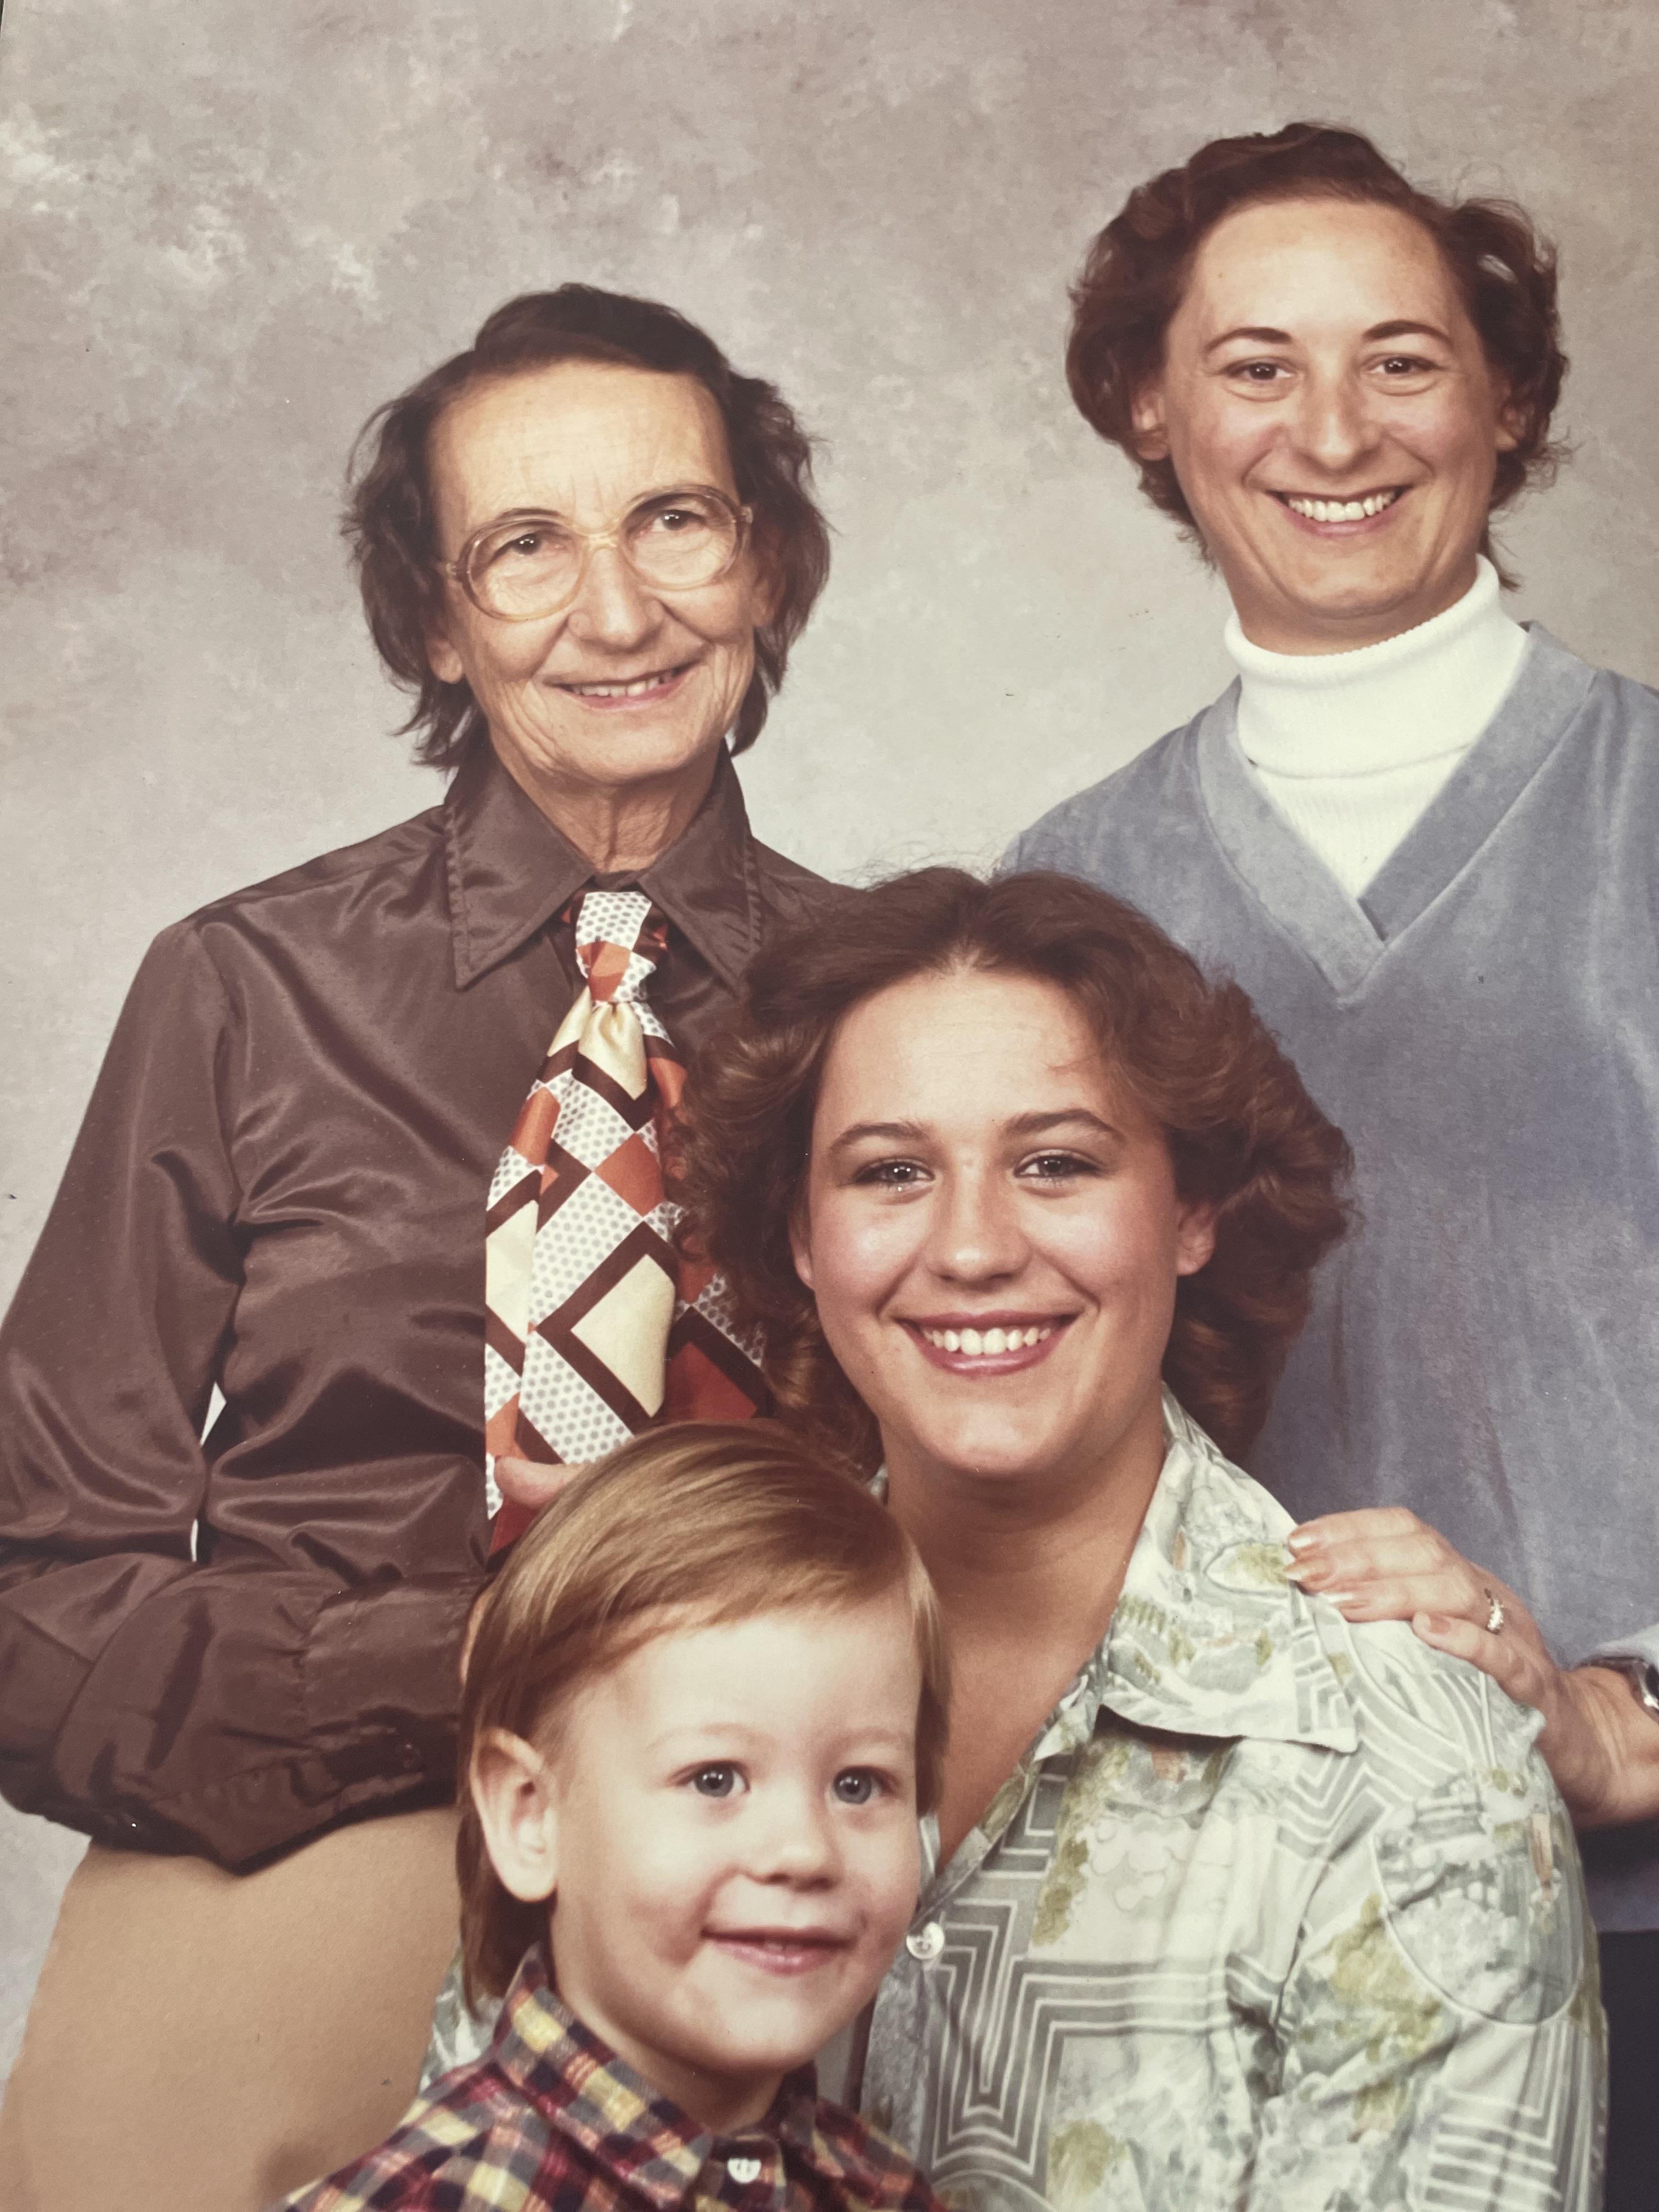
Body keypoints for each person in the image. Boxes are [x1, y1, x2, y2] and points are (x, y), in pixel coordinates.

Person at [0, 284, 834, 2212]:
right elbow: (35, 1582)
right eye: (525, 548)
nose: (616, 612)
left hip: (772, 1856)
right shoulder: (243, 990)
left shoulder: (895, 1002)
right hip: (298, 1831)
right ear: (438, 625)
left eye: (675, 523)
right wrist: (468, 1672)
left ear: (766, 566)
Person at [1004, 121, 1659, 2208]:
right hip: (1215, 1931)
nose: (1334, 431)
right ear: (1150, 407)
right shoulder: (1067, 893)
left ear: (1507, 399)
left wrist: (1624, 1726)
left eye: (1401, 359)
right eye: (1255, 365)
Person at [677, 866, 1603, 2209]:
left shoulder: (1411, 1776)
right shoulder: (664, 1679)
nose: (973, 1248)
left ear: (1191, 1213)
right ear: (803, 1239)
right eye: (891, 1172)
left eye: (1055, 1163)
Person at [281, 1423, 951, 2212]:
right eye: (715, 1779)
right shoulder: (442, 2198)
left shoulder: (885, 2192)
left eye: (859, 1786)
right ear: (532, 1816)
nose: (805, 1851)